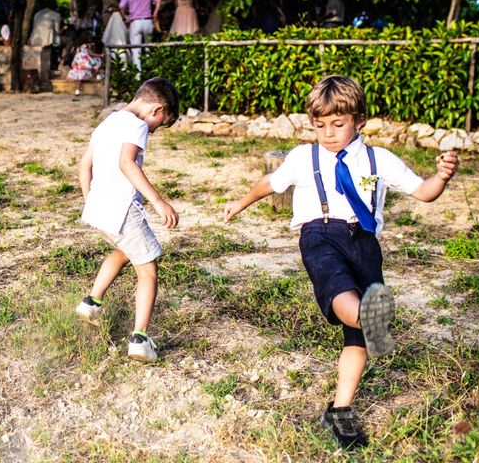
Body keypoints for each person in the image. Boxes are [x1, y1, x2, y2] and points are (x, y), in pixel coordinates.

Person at [223, 75, 459, 449]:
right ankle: (370, 316)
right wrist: (239, 203)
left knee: (359, 338)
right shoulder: (303, 157)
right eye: (320, 126)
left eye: (338, 124)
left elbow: (424, 193)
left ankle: (340, 409)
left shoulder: (379, 159)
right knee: (338, 289)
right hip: (319, 234)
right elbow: (269, 184)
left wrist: (442, 176)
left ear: (359, 121)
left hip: (364, 242)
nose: (328, 133)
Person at [77, 77, 179, 363]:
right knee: (148, 270)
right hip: (122, 209)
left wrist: (91, 200)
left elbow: (85, 165)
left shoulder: (107, 123)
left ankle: (92, 303)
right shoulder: (136, 124)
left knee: (125, 251)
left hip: (97, 208)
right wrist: (158, 201)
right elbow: (126, 162)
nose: (154, 130)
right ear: (156, 110)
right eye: (159, 124)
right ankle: (140, 339)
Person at [119, 0, 162, 70]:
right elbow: (158, 0)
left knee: (136, 49)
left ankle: (138, 75)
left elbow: (121, 6)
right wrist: (155, 14)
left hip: (136, 22)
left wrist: (125, 17)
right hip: (148, 21)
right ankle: (150, 69)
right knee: (148, 47)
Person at [29, 0, 62, 70]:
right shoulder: (56, 15)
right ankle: (58, 64)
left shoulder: (37, 14)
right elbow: (57, 30)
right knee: (60, 42)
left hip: (33, 39)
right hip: (46, 41)